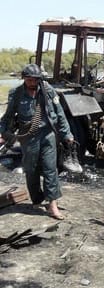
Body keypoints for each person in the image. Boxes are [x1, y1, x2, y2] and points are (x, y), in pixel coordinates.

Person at [0, 64, 75, 220]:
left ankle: (52, 204)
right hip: (28, 137)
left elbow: (59, 113)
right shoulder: (16, 93)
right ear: (24, 79)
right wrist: (3, 133)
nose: (33, 82)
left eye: (35, 79)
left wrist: (67, 133)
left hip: (48, 134)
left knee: (50, 168)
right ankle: (37, 198)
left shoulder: (48, 91)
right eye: (29, 79)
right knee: (31, 169)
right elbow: (8, 116)